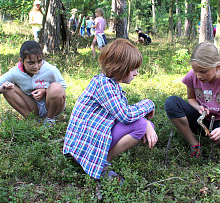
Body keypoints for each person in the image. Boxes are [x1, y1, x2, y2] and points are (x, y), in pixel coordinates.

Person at [63, 38, 157, 181]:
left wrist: (147, 123)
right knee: (141, 125)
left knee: (145, 125)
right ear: (120, 67)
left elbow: (123, 113)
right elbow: (125, 115)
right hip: (84, 143)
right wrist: (148, 104)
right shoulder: (104, 85)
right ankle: (101, 165)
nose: (136, 73)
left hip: (93, 136)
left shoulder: (109, 83)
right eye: (133, 69)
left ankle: (101, 161)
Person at [164, 41, 220, 157]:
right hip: (200, 121)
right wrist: (198, 107)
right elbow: (191, 98)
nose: (198, 76)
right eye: (195, 70)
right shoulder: (192, 76)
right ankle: (195, 145)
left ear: (216, 67)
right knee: (171, 102)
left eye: (203, 71)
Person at [0, 41, 67, 126]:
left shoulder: (50, 69)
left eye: (39, 61)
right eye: (31, 63)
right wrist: (0, 89)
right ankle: (33, 121)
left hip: (52, 105)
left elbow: (63, 86)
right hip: (32, 105)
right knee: (8, 88)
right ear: (21, 61)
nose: (36, 66)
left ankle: (50, 119)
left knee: (56, 87)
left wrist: (45, 90)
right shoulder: (15, 72)